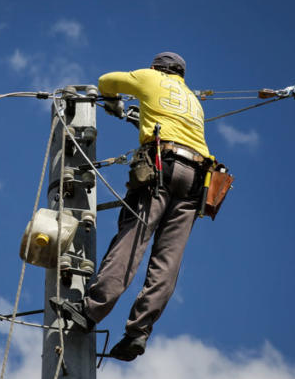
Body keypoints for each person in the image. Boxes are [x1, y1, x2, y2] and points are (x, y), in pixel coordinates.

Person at [50, 51, 214, 361]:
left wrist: (112, 102)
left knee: (133, 239)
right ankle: (138, 332)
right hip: (197, 179)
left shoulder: (151, 78)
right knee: (168, 260)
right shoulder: (193, 99)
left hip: (161, 167)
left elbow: (106, 82)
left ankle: (91, 310)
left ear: (156, 67)